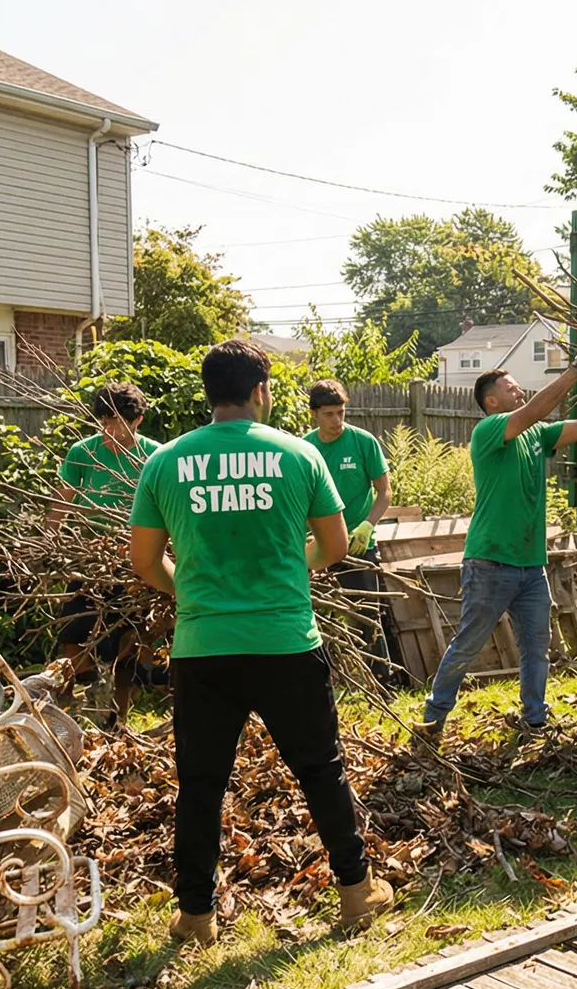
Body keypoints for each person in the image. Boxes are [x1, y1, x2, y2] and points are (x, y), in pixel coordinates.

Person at [129, 339, 393, 944]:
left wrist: (191, 597)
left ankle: (195, 917)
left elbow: (144, 561)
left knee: (200, 782)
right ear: (260, 391)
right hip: (286, 642)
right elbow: (335, 546)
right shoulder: (300, 455)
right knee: (321, 770)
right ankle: (356, 894)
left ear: (210, 393)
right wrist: (292, 572)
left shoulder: (165, 461)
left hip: (203, 647)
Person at [417, 352, 577, 748]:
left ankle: (534, 720)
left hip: (530, 566)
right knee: (468, 642)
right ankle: (434, 717)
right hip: (490, 562)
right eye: (510, 387)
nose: (519, 389)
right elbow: (538, 408)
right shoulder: (489, 431)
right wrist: (576, 371)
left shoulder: (536, 435)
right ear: (492, 402)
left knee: (537, 645)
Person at [51, 382, 162, 724]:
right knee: (71, 630)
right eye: (103, 421)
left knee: (126, 641)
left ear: (138, 420)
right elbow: (61, 501)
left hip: (136, 562)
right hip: (89, 561)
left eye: (117, 422)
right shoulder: (83, 453)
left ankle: (118, 717)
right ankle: (90, 682)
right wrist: (49, 540)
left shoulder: (154, 456)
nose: (108, 430)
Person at [303, 379, 394, 673]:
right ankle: (327, 676)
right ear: (313, 414)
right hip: (316, 544)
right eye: (329, 414)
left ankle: (381, 679)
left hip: (358, 543)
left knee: (367, 613)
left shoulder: (363, 442)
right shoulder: (305, 448)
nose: (337, 420)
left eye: (341, 412)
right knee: (318, 615)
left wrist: (368, 525)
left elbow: (385, 492)